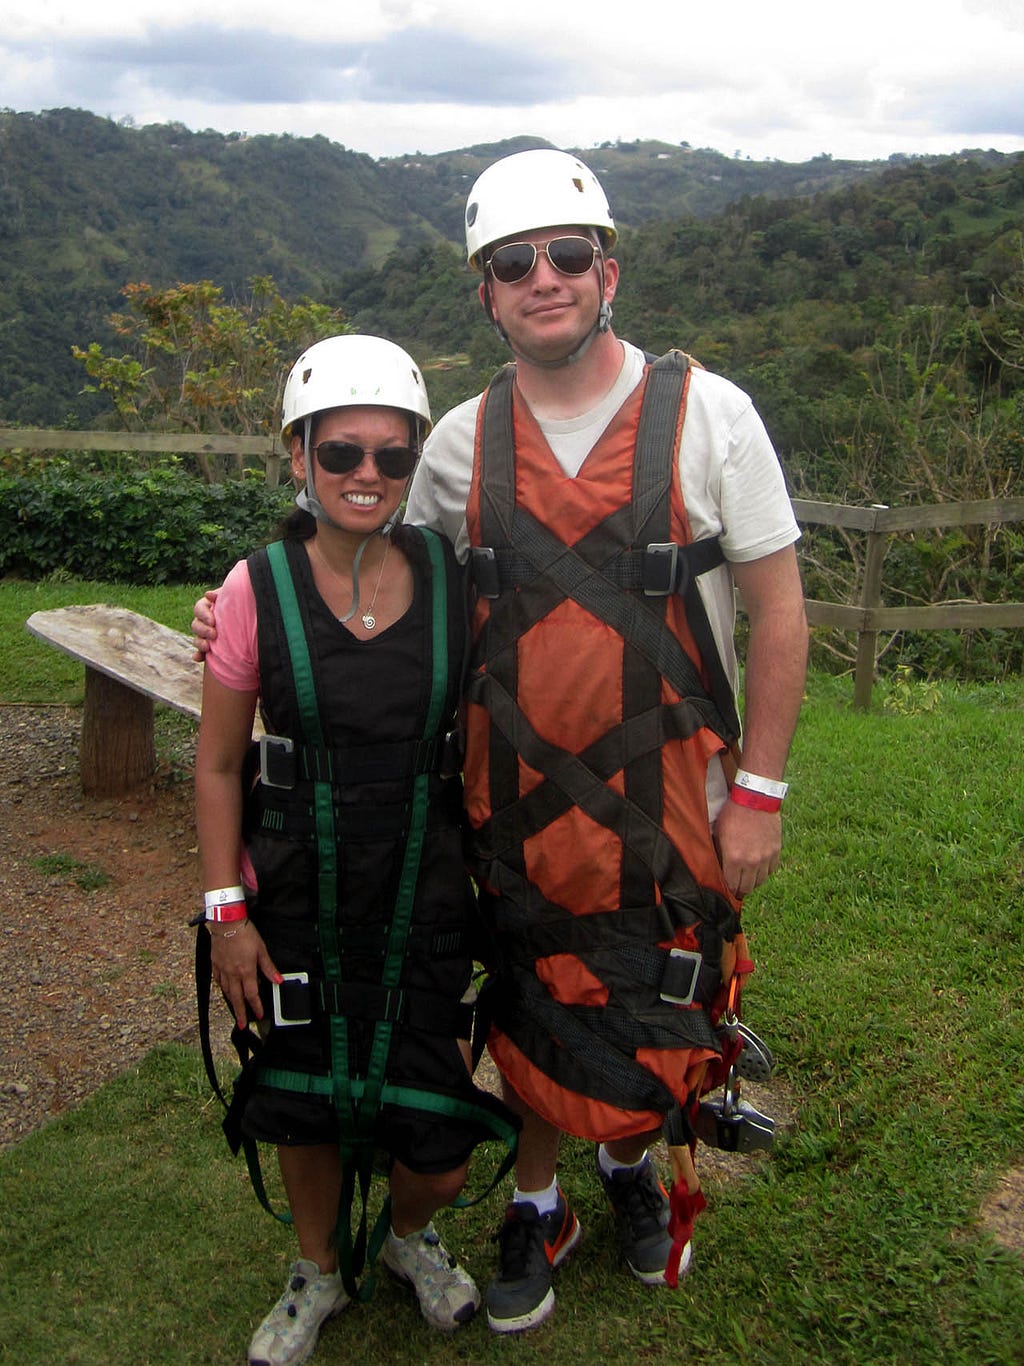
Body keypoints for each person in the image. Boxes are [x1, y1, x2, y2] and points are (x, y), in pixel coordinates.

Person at [195, 149, 808, 1334]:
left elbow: (780, 608)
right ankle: (538, 1196)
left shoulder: (709, 414)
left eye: (565, 255)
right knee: (531, 981)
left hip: (676, 777)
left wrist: (764, 788)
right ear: (484, 292)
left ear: (606, 269)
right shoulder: (454, 446)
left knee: (659, 972)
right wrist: (250, 609)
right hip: (511, 788)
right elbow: (378, 572)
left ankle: (627, 1167)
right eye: (512, 263)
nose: (543, 278)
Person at [194, 334, 515, 1366]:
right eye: (340, 454)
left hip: (422, 883)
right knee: (304, 1097)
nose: (366, 476)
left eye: (390, 455)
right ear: (299, 457)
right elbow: (214, 766)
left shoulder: (455, 579)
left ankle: (411, 1233)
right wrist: (226, 915)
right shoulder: (255, 591)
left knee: (441, 1137)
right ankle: (318, 1267)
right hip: (295, 885)